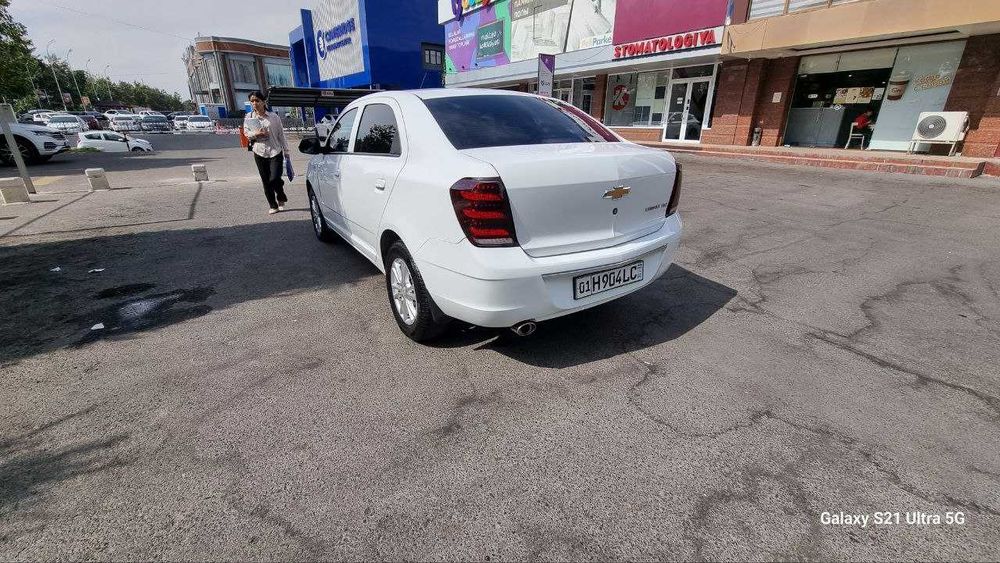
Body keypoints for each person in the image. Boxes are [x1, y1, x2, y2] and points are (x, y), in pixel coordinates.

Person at [245, 90, 291, 214]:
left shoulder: (273, 117)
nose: (254, 103)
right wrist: (256, 133)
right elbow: (246, 133)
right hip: (259, 152)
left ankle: (280, 195)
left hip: (275, 151)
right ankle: (273, 205)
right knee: (266, 181)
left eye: (257, 100)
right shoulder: (249, 117)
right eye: (252, 101)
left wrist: (286, 151)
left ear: (263, 102)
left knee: (275, 178)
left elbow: (281, 134)